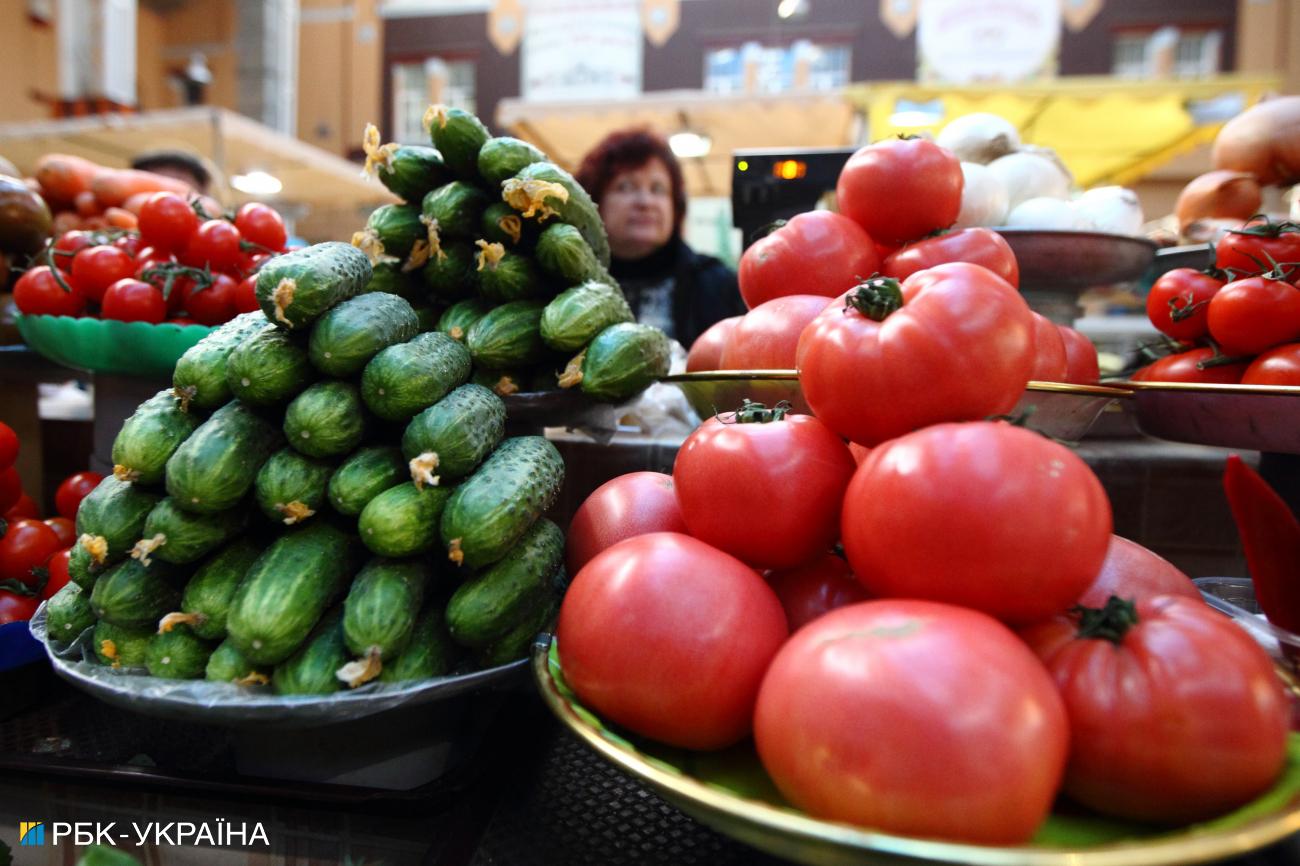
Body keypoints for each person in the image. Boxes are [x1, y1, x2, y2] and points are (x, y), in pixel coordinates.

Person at [576, 129, 742, 347]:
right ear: (592, 201)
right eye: (625, 187)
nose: (645, 202)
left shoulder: (717, 284)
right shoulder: (565, 286)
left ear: (676, 206)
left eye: (658, 189)